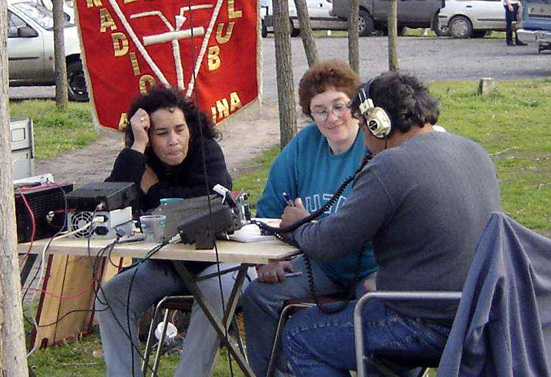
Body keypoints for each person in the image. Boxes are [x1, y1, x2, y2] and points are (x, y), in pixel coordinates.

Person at [279, 72, 501, 376]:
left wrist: (299, 224)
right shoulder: (474, 151)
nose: (364, 140)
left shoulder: (390, 165)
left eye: (362, 125)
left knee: (301, 335)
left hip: (424, 322)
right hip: (478, 316)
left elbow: (328, 245)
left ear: (378, 124)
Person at [96, 86, 245, 377]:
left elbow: (204, 206)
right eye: (161, 133)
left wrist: (153, 189)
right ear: (150, 137)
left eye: (179, 129)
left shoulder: (207, 152)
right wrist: (137, 147)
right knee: (111, 296)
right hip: (168, 264)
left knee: (213, 294)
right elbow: (112, 200)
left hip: (218, 260)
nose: (173, 140)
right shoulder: (141, 158)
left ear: (191, 129)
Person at [242, 60, 378, 377]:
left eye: (339, 106)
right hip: (322, 265)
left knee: (377, 315)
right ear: (310, 114)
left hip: (372, 266)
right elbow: (270, 210)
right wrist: (270, 260)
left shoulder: (373, 144)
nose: (332, 118)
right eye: (320, 110)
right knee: (259, 296)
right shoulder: (304, 145)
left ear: (355, 107)